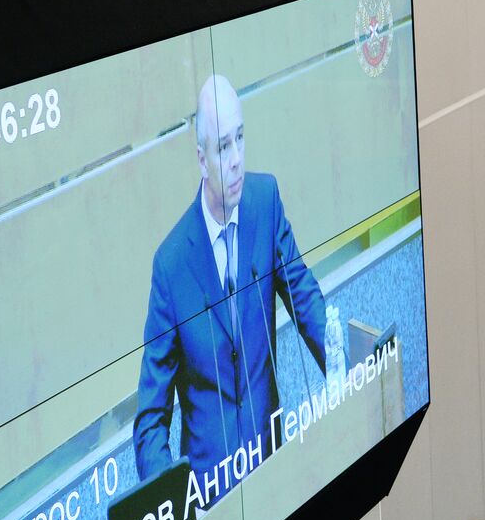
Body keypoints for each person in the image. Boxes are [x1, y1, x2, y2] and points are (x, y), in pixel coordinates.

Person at [133, 74, 335, 498]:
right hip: (211, 499)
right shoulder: (171, 267)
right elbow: (150, 420)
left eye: (241, 139)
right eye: (224, 147)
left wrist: (344, 368)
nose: (238, 158)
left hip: (273, 468)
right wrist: (176, 509)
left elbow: (303, 294)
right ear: (203, 160)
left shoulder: (265, 201)